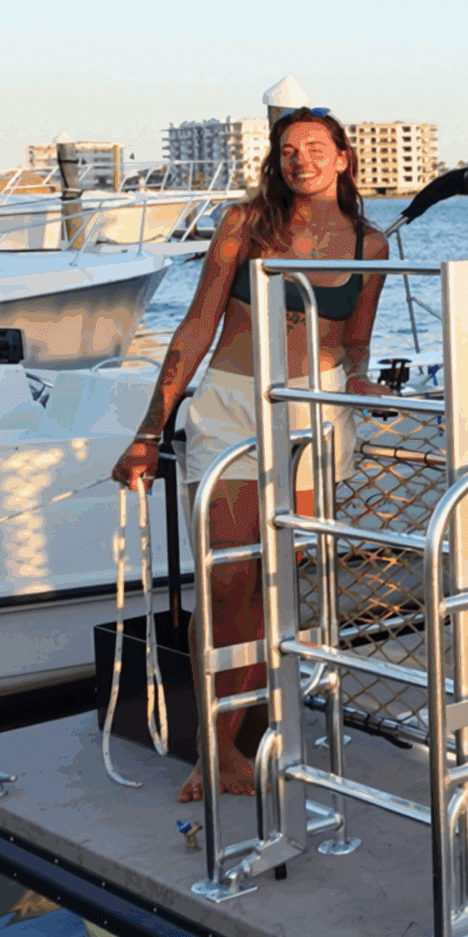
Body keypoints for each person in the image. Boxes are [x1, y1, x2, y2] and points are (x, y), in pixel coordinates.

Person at [111, 110, 383, 801]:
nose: (301, 159)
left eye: (316, 148)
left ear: (344, 158)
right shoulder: (245, 223)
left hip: (314, 415)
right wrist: (152, 425)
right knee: (226, 582)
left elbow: (354, 341)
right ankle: (215, 744)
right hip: (232, 404)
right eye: (289, 149)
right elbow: (199, 320)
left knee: (275, 591)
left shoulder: (370, 245)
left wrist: (357, 377)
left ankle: (251, 737)